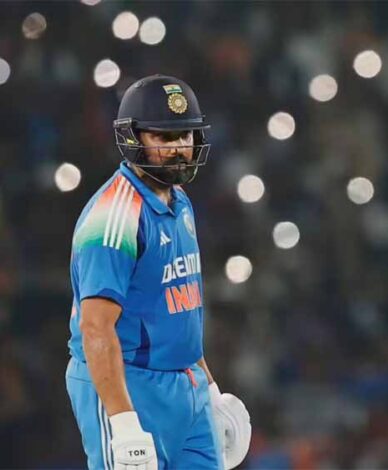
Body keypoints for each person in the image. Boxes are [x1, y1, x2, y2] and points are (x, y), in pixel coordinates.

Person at [65, 75, 251, 470]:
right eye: (164, 138)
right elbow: (95, 327)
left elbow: (180, 311)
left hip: (186, 384)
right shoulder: (114, 218)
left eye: (185, 136)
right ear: (132, 139)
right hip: (129, 385)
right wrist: (123, 423)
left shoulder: (180, 202)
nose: (179, 148)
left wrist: (211, 391)